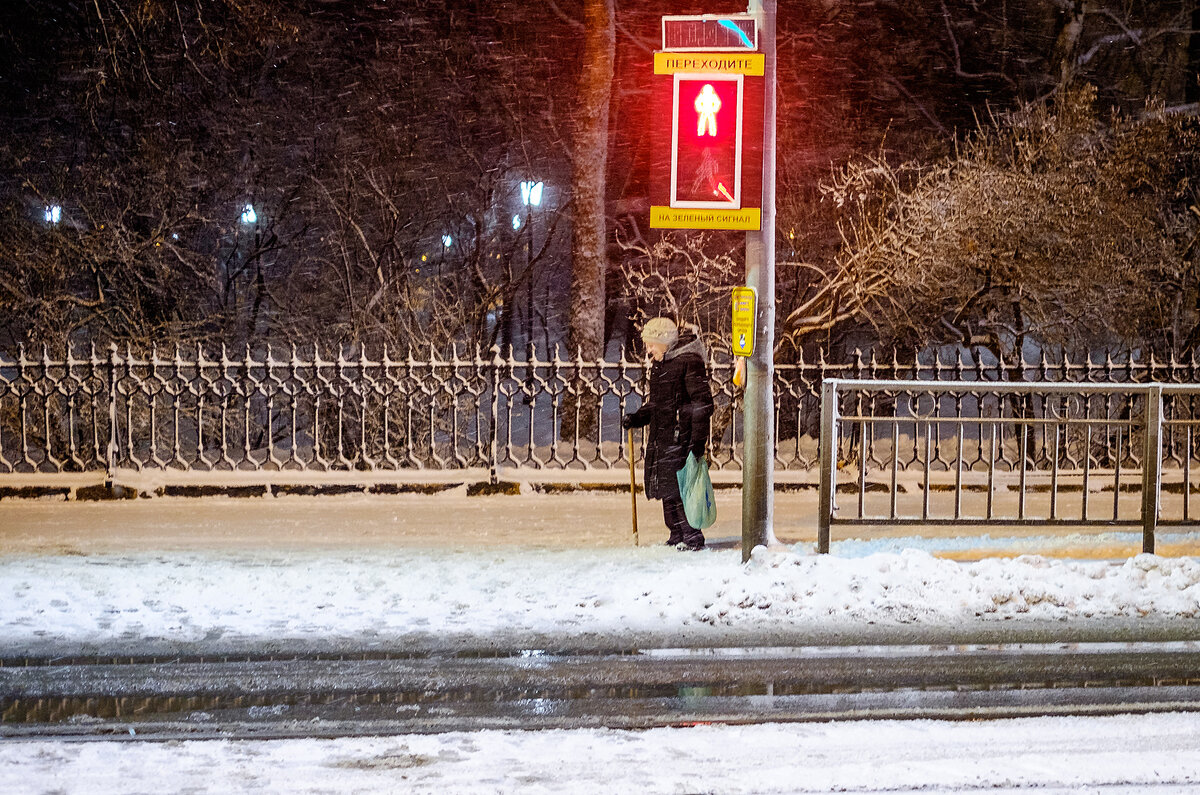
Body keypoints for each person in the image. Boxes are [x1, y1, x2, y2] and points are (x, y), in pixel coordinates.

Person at [622, 317, 714, 550]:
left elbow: (702, 404)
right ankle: (676, 535)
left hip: (681, 437)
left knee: (681, 489)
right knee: (667, 489)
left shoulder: (688, 362)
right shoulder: (661, 365)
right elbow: (658, 404)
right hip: (664, 437)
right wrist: (637, 418)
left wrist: (697, 442)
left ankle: (692, 537)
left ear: (664, 342)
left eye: (652, 344)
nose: (649, 350)